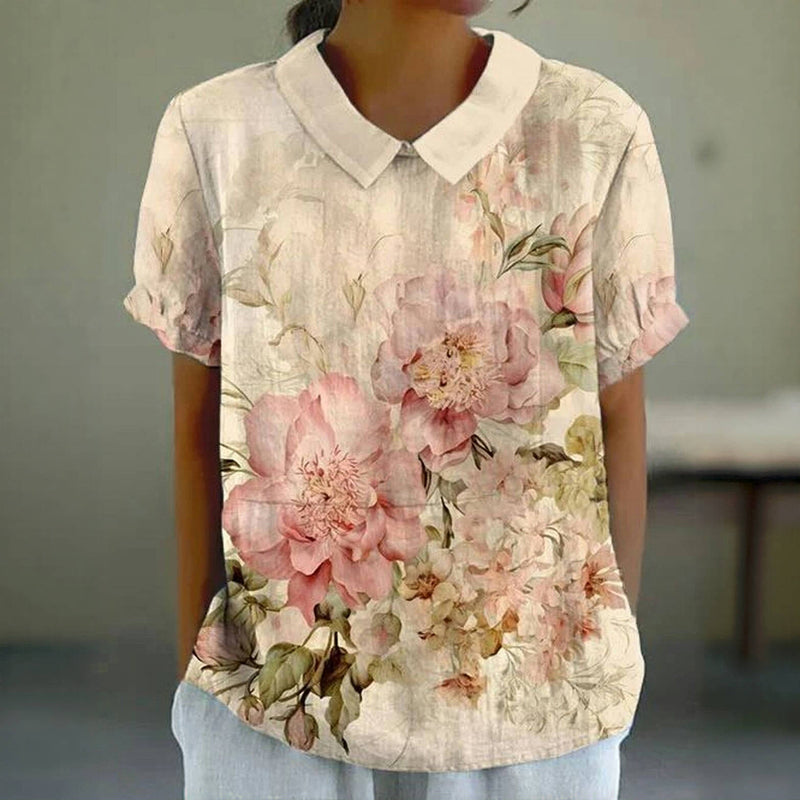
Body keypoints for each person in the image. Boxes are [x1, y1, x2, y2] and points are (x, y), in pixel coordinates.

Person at [122, 0, 690, 798]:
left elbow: (616, 420)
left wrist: (599, 672)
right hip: (271, 720)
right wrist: (204, 683)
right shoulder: (218, 131)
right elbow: (197, 427)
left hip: (538, 723)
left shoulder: (592, 132)